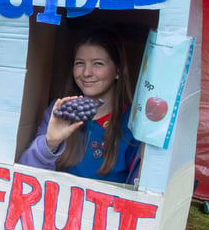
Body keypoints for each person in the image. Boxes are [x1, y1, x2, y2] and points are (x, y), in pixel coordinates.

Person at [19, 30, 141, 185]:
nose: (86, 73)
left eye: (98, 64)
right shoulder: (60, 110)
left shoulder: (133, 124)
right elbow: (24, 177)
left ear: (117, 70)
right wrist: (50, 143)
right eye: (80, 63)